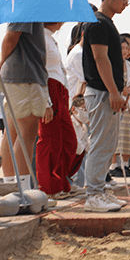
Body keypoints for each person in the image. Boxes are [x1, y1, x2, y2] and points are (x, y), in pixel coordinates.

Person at [81, 0, 130, 212]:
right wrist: (114, 92)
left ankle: (100, 190)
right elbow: (100, 59)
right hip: (101, 92)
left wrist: (118, 92)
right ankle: (93, 195)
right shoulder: (98, 23)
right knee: (101, 144)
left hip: (109, 92)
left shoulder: (108, 23)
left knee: (108, 144)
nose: (125, 3)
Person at [0, 22, 52, 193]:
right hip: (26, 75)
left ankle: (10, 187)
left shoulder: (21, 0)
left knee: (13, 132)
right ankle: (22, 190)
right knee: (26, 134)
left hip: (17, 75)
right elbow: (11, 37)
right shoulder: (27, 3)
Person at [36, 22, 78, 199]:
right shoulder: (39, 38)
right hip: (49, 88)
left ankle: (61, 182)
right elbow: (40, 70)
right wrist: (45, 101)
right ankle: (48, 187)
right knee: (50, 141)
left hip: (61, 90)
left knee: (69, 141)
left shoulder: (51, 39)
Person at [109, 36, 130, 178]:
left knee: (128, 136)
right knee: (116, 136)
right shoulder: (111, 63)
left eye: (127, 48)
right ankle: (114, 166)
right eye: (122, 48)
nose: (125, 51)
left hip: (128, 104)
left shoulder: (128, 65)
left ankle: (125, 164)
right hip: (116, 103)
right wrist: (120, 91)